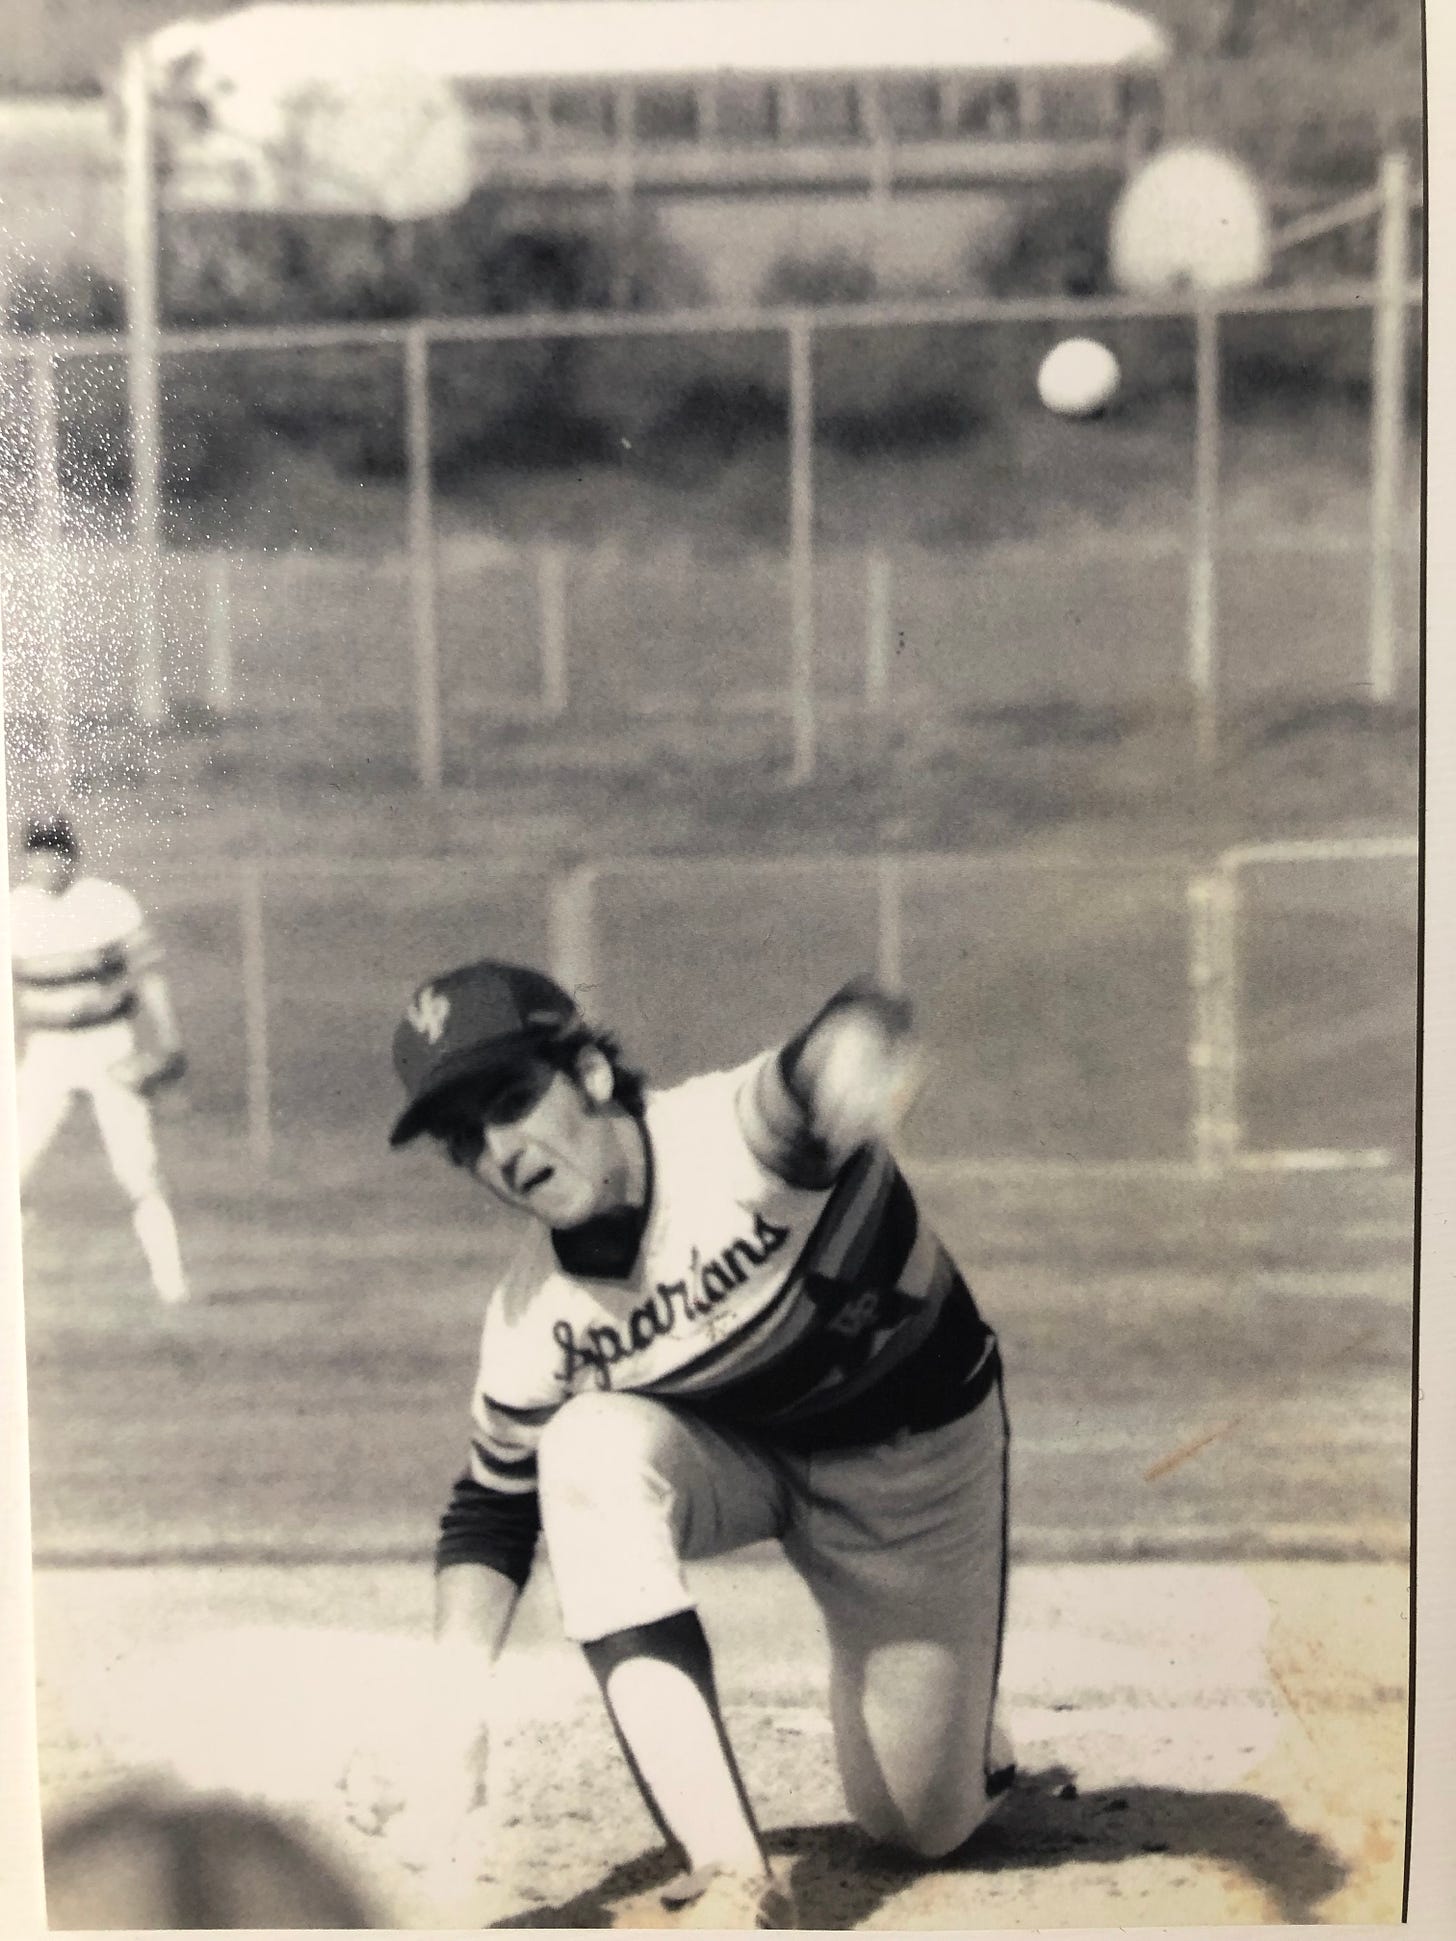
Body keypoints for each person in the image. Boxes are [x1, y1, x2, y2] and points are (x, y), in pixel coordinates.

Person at [388, 959, 1014, 1929]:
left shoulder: (732, 1140)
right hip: (739, 1454)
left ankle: (967, 1728)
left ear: (590, 1074)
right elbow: (491, 1506)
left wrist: (856, 1046)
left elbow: (823, 1053)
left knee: (917, 1825)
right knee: (582, 1449)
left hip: (911, 1462)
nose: (500, 1151)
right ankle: (730, 1875)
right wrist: (454, 1708)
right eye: (465, 1138)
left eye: (512, 1100)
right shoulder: (530, 1320)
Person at [10, 813, 190, 1306]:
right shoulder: (15, 909)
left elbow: (149, 974)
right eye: (38, 853)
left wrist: (169, 1040)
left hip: (108, 1044)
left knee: (137, 1166)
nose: (47, 863)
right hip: (47, 1050)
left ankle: (171, 1282)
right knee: (13, 1165)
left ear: (73, 857)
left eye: (56, 852)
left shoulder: (106, 904)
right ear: (25, 858)